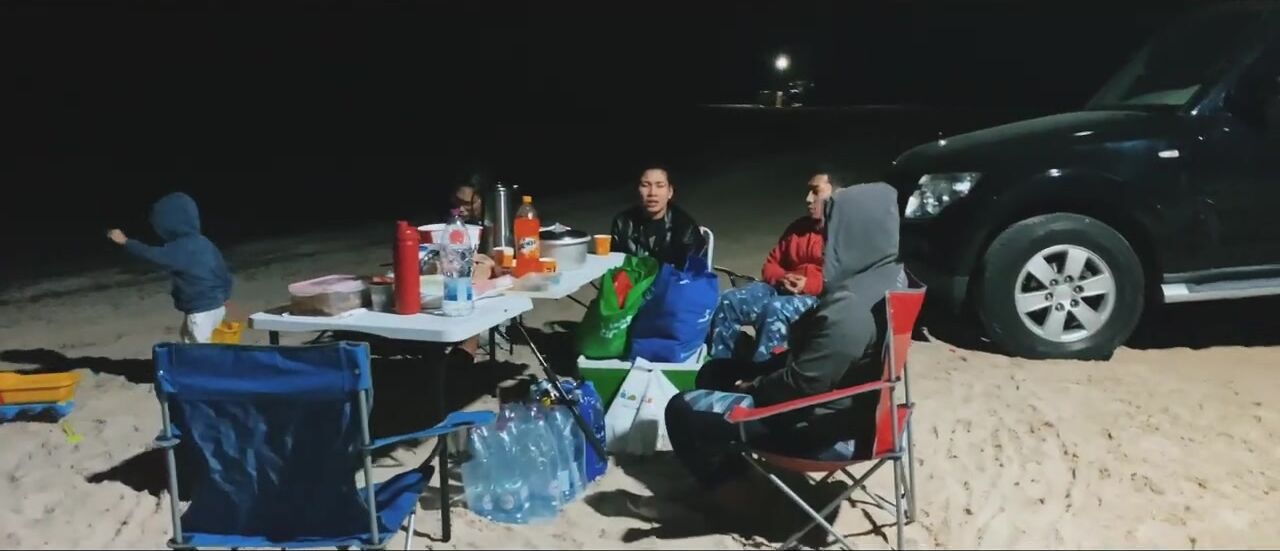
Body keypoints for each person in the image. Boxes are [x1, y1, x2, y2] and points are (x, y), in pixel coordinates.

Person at [637, 182, 905, 520]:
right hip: (855, 407)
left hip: (819, 426)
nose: (829, 239)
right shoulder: (889, 279)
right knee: (716, 371)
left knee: (681, 410)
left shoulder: (850, 307)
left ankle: (736, 501)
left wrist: (756, 386)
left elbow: (804, 384)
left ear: (855, 234)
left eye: (836, 229)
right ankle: (734, 471)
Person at [708, 172, 834, 362]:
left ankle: (763, 373)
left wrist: (808, 284)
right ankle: (722, 367)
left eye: (816, 192)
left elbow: (847, 277)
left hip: (820, 297)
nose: (808, 199)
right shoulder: (797, 229)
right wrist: (783, 278)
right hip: (782, 289)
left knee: (775, 309)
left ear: (837, 194)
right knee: (730, 301)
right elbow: (771, 265)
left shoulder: (845, 233)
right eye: (809, 192)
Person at [107, 192, 233, 344]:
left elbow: (151, 254)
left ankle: (204, 360)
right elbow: (223, 271)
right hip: (217, 306)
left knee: (198, 347)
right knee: (190, 338)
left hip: (200, 311)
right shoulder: (204, 242)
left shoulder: (180, 248)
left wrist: (126, 242)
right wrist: (225, 296)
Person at [609, 166, 706, 267]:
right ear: (637, 190)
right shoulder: (622, 223)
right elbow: (612, 265)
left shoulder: (685, 227)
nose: (652, 193)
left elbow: (695, 271)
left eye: (660, 185)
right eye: (645, 185)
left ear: (670, 192)